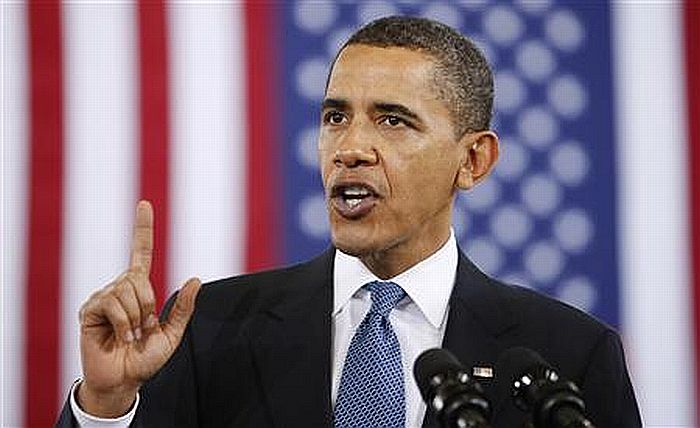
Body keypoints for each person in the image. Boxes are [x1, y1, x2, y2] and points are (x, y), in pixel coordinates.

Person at [57, 16, 641, 427]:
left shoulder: (568, 353)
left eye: (392, 121)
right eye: (336, 117)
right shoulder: (211, 327)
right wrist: (106, 406)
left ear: (473, 160)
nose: (350, 148)